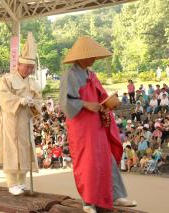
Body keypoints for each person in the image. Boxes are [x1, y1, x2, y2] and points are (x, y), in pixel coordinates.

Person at [59, 36, 136, 212]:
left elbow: (102, 96)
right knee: (88, 162)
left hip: (97, 124)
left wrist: (108, 104)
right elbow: (64, 102)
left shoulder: (91, 75)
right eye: (92, 55)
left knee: (106, 159)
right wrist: (85, 103)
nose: (94, 59)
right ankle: (88, 201)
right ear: (81, 56)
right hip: (82, 127)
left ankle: (116, 196)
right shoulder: (69, 75)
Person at [0, 32, 42, 195]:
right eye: (27, 67)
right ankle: (11, 183)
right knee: (12, 149)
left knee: (25, 149)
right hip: (11, 121)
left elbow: (39, 103)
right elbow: (3, 97)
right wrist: (19, 101)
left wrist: (33, 104)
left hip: (25, 122)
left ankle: (21, 182)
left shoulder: (33, 83)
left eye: (31, 67)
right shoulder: (7, 80)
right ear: (19, 65)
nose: (29, 70)